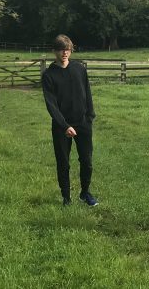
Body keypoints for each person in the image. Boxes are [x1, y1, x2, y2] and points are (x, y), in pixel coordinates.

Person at [42, 34, 98, 206]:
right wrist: (64, 126)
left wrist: (90, 116)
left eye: (67, 49)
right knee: (63, 163)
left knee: (87, 161)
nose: (65, 53)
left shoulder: (79, 69)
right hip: (61, 127)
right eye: (61, 49)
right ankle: (66, 197)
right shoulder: (49, 75)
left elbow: (87, 93)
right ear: (54, 51)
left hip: (83, 123)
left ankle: (85, 193)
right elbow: (51, 105)